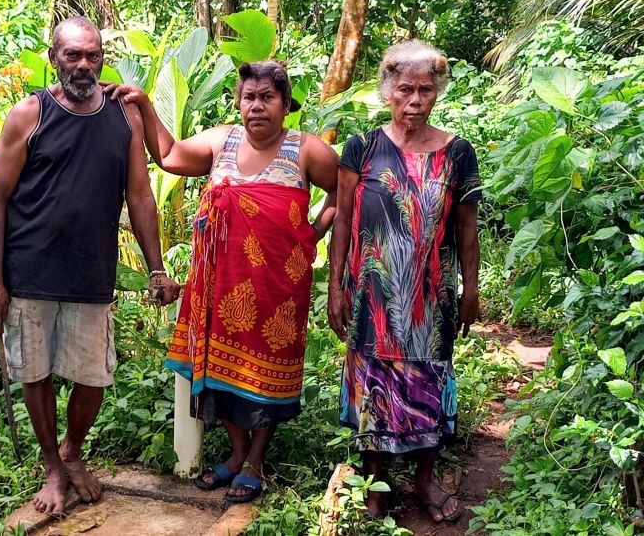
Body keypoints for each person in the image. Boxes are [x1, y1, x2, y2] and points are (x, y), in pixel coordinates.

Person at [108, 60, 338, 503]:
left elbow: (344, 191)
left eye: (267, 97)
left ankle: (255, 460)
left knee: (267, 373)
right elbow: (170, 156)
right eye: (249, 97)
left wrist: (312, 234)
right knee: (215, 369)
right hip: (217, 284)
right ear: (239, 101)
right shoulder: (221, 141)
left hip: (278, 288)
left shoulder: (308, 151)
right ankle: (236, 453)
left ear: (286, 104)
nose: (257, 106)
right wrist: (145, 104)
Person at [0, 16, 180, 516]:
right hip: (29, 272)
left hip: (92, 272)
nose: (84, 65)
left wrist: (157, 268)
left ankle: (73, 450)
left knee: (94, 377)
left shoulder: (124, 116)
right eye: (73, 55)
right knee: (36, 374)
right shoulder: (29, 114)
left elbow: (139, 196)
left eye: (93, 55)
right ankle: (52, 466)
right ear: (54, 58)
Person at [328, 40, 480, 522]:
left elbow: (466, 228)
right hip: (372, 297)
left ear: (437, 93)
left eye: (426, 90)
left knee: (429, 382)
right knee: (372, 384)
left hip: (430, 300)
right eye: (406, 89)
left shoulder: (457, 152)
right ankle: (376, 484)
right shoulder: (363, 147)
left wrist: (470, 290)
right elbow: (344, 220)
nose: (415, 100)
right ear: (387, 90)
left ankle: (424, 480)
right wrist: (335, 285)